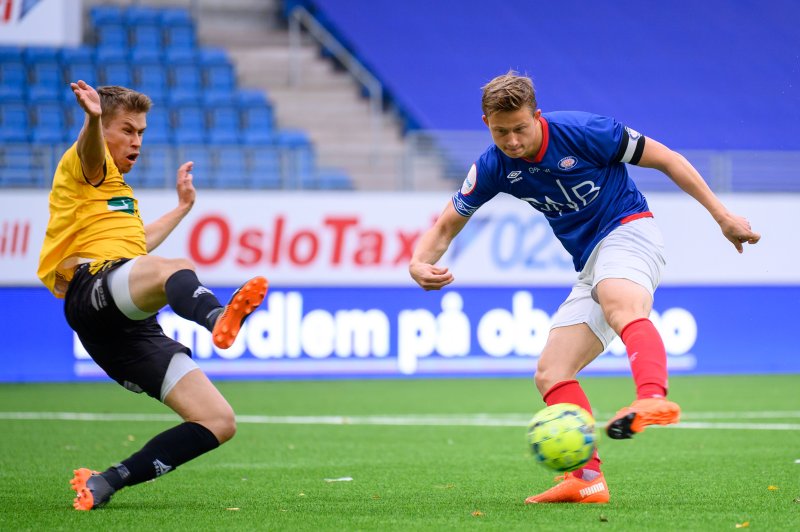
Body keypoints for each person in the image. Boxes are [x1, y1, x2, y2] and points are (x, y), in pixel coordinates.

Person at [409, 71, 760, 504]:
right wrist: (419, 261)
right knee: (551, 372)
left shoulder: (585, 131)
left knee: (619, 301)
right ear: (486, 124)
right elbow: (446, 224)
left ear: (536, 116)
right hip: (590, 263)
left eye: (520, 128)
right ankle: (587, 479)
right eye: (501, 132)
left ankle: (652, 398)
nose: (513, 141)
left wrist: (722, 216)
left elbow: (668, 158)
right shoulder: (494, 166)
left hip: (631, 231)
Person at [37, 81, 269, 510]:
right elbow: (90, 152)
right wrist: (91, 119)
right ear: (103, 129)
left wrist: (182, 208)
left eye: (141, 132)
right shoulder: (88, 165)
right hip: (91, 288)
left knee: (217, 421)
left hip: (122, 328)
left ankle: (108, 480)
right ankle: (218, 318)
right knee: (175, 268)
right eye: (127, 130)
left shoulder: (118, 196)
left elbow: (136, 250)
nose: (137, 141)